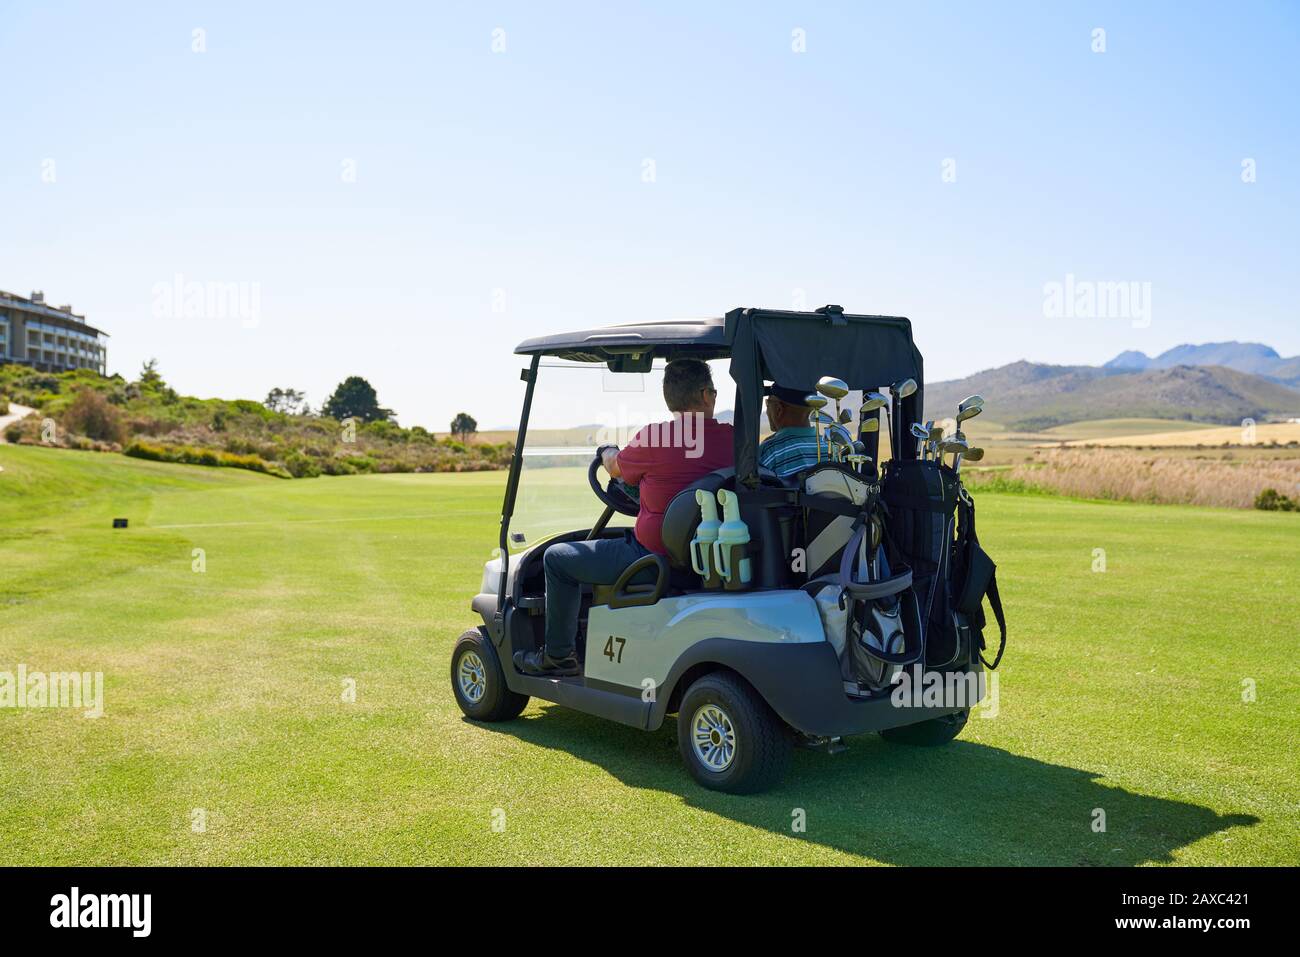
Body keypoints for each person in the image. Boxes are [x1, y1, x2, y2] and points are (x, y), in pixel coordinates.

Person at [515, 358, 734, 676]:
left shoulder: (655, 438)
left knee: (557, 558)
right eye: (713, 391)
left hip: (653, 561)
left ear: (669, 398)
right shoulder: (734, 440)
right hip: (714, 560)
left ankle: (559, 656)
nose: (714, 396)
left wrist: (605, 450)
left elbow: (616, 468)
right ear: (705, 394)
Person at [758, 383, 831, 478]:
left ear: (778, 410)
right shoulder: (829, 447)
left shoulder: (769, 451)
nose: (767, 411)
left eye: (768, 404)